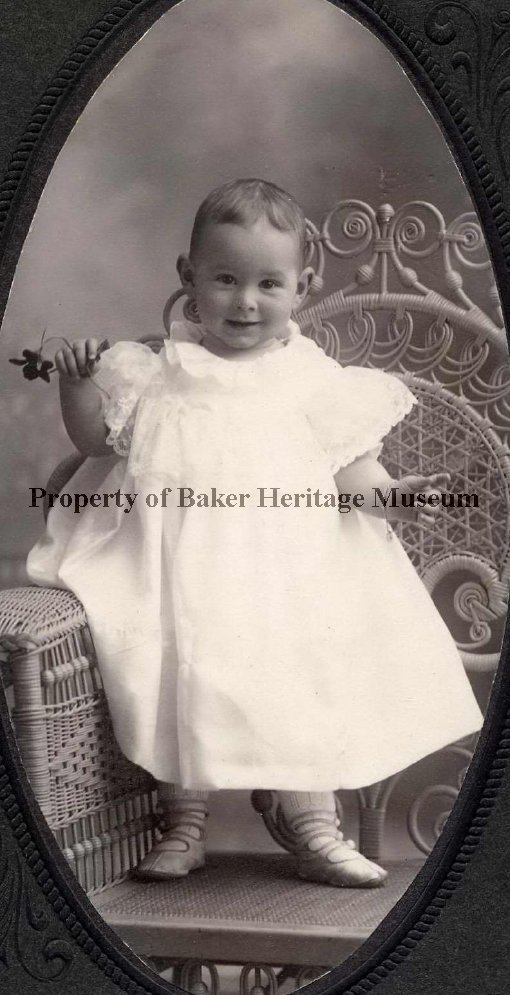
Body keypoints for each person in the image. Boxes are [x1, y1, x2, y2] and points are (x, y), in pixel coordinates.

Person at [27, 178, 483, 889]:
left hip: (285, 575)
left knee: (301, 677)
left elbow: (351, 469)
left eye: (268, 283)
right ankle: (183, 825)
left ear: (302, 286)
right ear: (189, 277)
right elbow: (95, 441)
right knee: (173, 677)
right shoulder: (157, 374)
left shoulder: (309, 379)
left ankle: (315, 827)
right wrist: (77, 385)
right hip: (177, 568)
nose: (245, 301)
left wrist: (391, 499)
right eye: (226, 279)